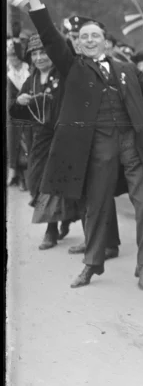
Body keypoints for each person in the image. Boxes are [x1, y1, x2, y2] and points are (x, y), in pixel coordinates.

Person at [22, 0, 143, 290]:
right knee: (96, 205)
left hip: (133, 145)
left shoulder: (127, 70)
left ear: (105, 40)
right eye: (83, 36)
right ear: (77, 42)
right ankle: (92, 265)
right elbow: (49, 35)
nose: (89, 40)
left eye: (95, 36)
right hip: (96, 148)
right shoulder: (72, 67)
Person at [9, 35, 82, 249]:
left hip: (63, 135)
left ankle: (51, 230)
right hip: (38, 138)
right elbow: (16, 114)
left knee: (56, 181)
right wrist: (19, 103)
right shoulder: (30, 80)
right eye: (35, 54)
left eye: (43, 52)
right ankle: (62, 218)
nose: (40, 57)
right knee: (35, 182)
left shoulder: (63, 73)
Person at [7, 36, 31, 191]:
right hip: (11, 115)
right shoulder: (8, 72)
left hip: (28, 113)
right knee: (13, 145)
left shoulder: (28, 70)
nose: (13, 58)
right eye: (10, 55)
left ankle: (24, 177)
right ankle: (17, 175)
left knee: (26, 145)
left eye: (15, 55)